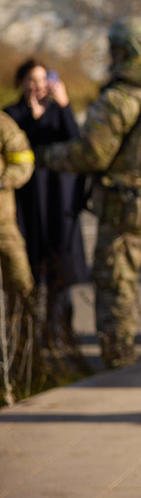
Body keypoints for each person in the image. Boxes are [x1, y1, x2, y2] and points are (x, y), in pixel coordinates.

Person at [38, 17, 141, 369]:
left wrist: (46, 155)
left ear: (128, 51)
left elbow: (91, 154)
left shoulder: (119, 99)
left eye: (116, 49)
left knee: (116, 293)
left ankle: (119, 369)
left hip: (125, 215)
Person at [4, 59, 91, 380]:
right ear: (21, 82)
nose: (37, 85)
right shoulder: (13, 115)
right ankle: (29, 341)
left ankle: (59, 335)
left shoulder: (59, 113)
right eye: (31, 79)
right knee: (30, 271)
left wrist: (65, 104)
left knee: (61, 272)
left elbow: (77, 141)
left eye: (42, 79)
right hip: (27, 203)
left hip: (58, 201)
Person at [0, 111, 35, 403]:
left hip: (3, 225)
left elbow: (23, 161)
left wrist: (3, 180)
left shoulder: (2, 123)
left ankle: (25, 366)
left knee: (22, 286)